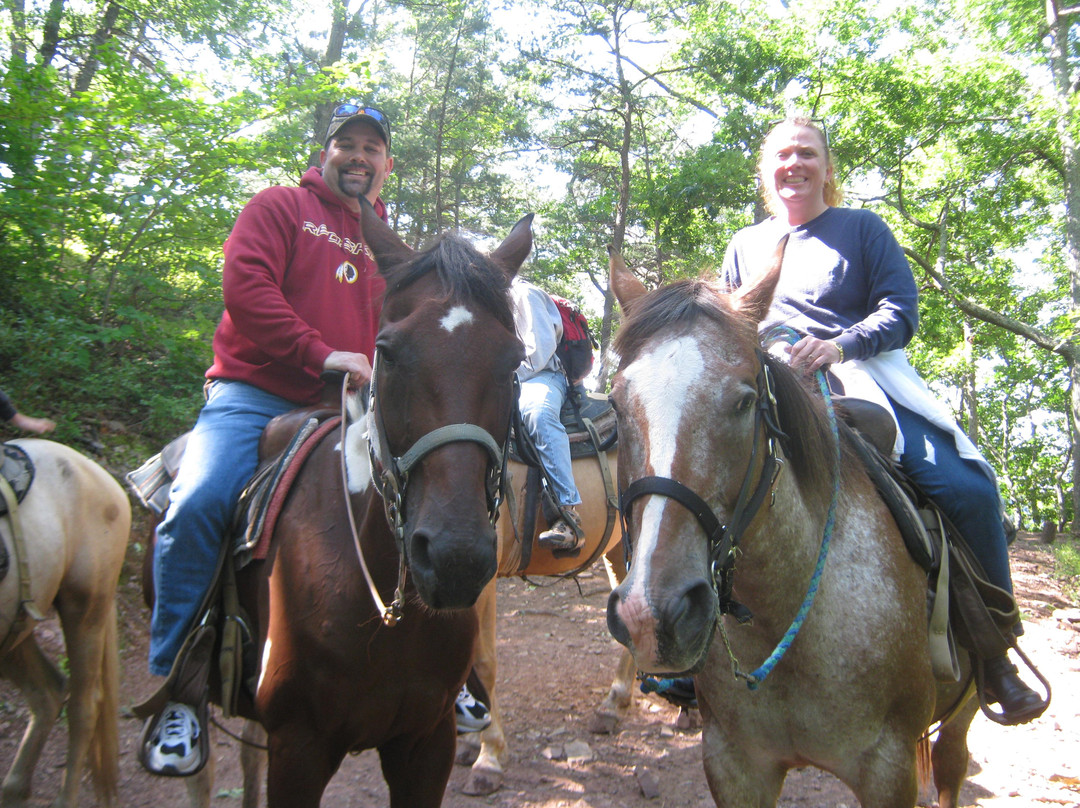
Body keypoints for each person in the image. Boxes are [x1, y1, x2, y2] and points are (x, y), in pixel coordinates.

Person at [718, 116, 1045, 725]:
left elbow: (901, 310)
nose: (795, 164)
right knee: (705, 479)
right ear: (766, 171)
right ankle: (693, 650)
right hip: (770, 380)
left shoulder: (863, 228)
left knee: (969, 490)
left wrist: (839, 345)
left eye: (807, 153)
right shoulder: (744, 243)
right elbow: (734, 323)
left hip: (862, 372)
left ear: (826, 167)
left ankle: (995, 651)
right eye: (783, 155)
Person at [142, 102, 395, 776]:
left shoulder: (386, 239)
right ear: (326, 153)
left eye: (372, 148)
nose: (359, 157)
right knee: (196, 504)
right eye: (347, 144)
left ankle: (449, 679)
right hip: (252, 395)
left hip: (346, 407)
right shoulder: (280, 206)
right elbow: (246, 288)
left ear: (386, 167)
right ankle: (178, 688)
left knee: (426, 500)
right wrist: (320, 353)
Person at [510, 276, 586, 553]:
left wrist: (499, 376)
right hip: (511, 378)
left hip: (543, 376)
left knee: (538, 414)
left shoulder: (525, 294)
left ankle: (567, 514)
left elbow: (537, 354)